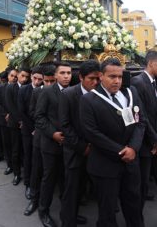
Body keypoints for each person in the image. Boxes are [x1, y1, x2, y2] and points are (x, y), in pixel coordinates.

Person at [80, 58, 145, 227]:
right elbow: (92, 133)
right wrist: (122, 151)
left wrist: (133, 149)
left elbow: (140, 123)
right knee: (107, 211)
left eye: (120, 76)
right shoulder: (89, 100)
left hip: (131, 163)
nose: (117, 80)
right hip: (105, 165)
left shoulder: (131, 93)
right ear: (101, 76)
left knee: (134, 206)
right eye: (112, 76)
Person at [59, 60, 101, 227]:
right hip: (76, 151)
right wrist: (82, 147)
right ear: (81, 77)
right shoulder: (68, 94)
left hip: (95, 151)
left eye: (98, 78)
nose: (96, 82)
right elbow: (65, 125)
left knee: (84, 188)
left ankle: (74, 215)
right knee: (72, 190)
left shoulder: (99, 93)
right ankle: (68, 221)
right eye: (92, 78)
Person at [35, 62, 72, 227]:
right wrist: (53, 134)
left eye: (69, 73)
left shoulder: (74, 91)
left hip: (70, 146)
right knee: (49, 179)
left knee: (67, 181)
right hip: (51, 145)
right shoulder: (47, 92)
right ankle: (43, 211)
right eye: (63, 73)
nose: (66, 76)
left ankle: (67, 213)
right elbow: (40, 117)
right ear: (56, 76)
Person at [24, 65, 56, 216]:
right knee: (37, 169)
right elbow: (32, 112)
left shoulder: (62, 92)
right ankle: (34, 200)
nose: (49, 84)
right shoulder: (37, 92)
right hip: (40, 136)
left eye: (52, 81)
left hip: (56, 138)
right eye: (46, 81)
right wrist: (42, 126)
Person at [131, 51, 157, 213]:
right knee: (141, 183)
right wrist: (154, 139)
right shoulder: (138, 82)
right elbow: (142, 116)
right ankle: (136, 217)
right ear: (152, 63)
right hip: (147, 144)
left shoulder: (154, 82)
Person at [18, 66, 43, 199]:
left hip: (40, 129)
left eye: (40, 79)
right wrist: (32, 128)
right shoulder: (24, 90)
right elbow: (22, 111)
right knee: (28, 156)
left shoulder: (44, 89)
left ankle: (38, 181)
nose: (37, 81)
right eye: (35, 78)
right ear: (31, 76)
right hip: (28, 130)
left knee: (38, 158)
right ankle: (28, 183)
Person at [5, 68, 31, 185]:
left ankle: (27, 173)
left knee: (26, 150)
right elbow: (10, 106)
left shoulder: (29, 88)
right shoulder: (11, 87)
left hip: (26, 125)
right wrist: (20, 121)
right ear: (18, 75)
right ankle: (16, 174)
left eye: (27, 77)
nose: (24, 79)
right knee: (15, 149)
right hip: (14, 124)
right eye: (22, 76)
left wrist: (25, 122)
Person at [0, 69, 18, 175]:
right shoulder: (1, 87)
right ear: (8, 76)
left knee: (16, 145)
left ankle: (17, 165)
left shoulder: (19, 88)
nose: (14, 78)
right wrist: (6, 114)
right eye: (12, 76)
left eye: (15, 76)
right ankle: (10, 165)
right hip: (5, 121)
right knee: (7, 144)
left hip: (16, 121)